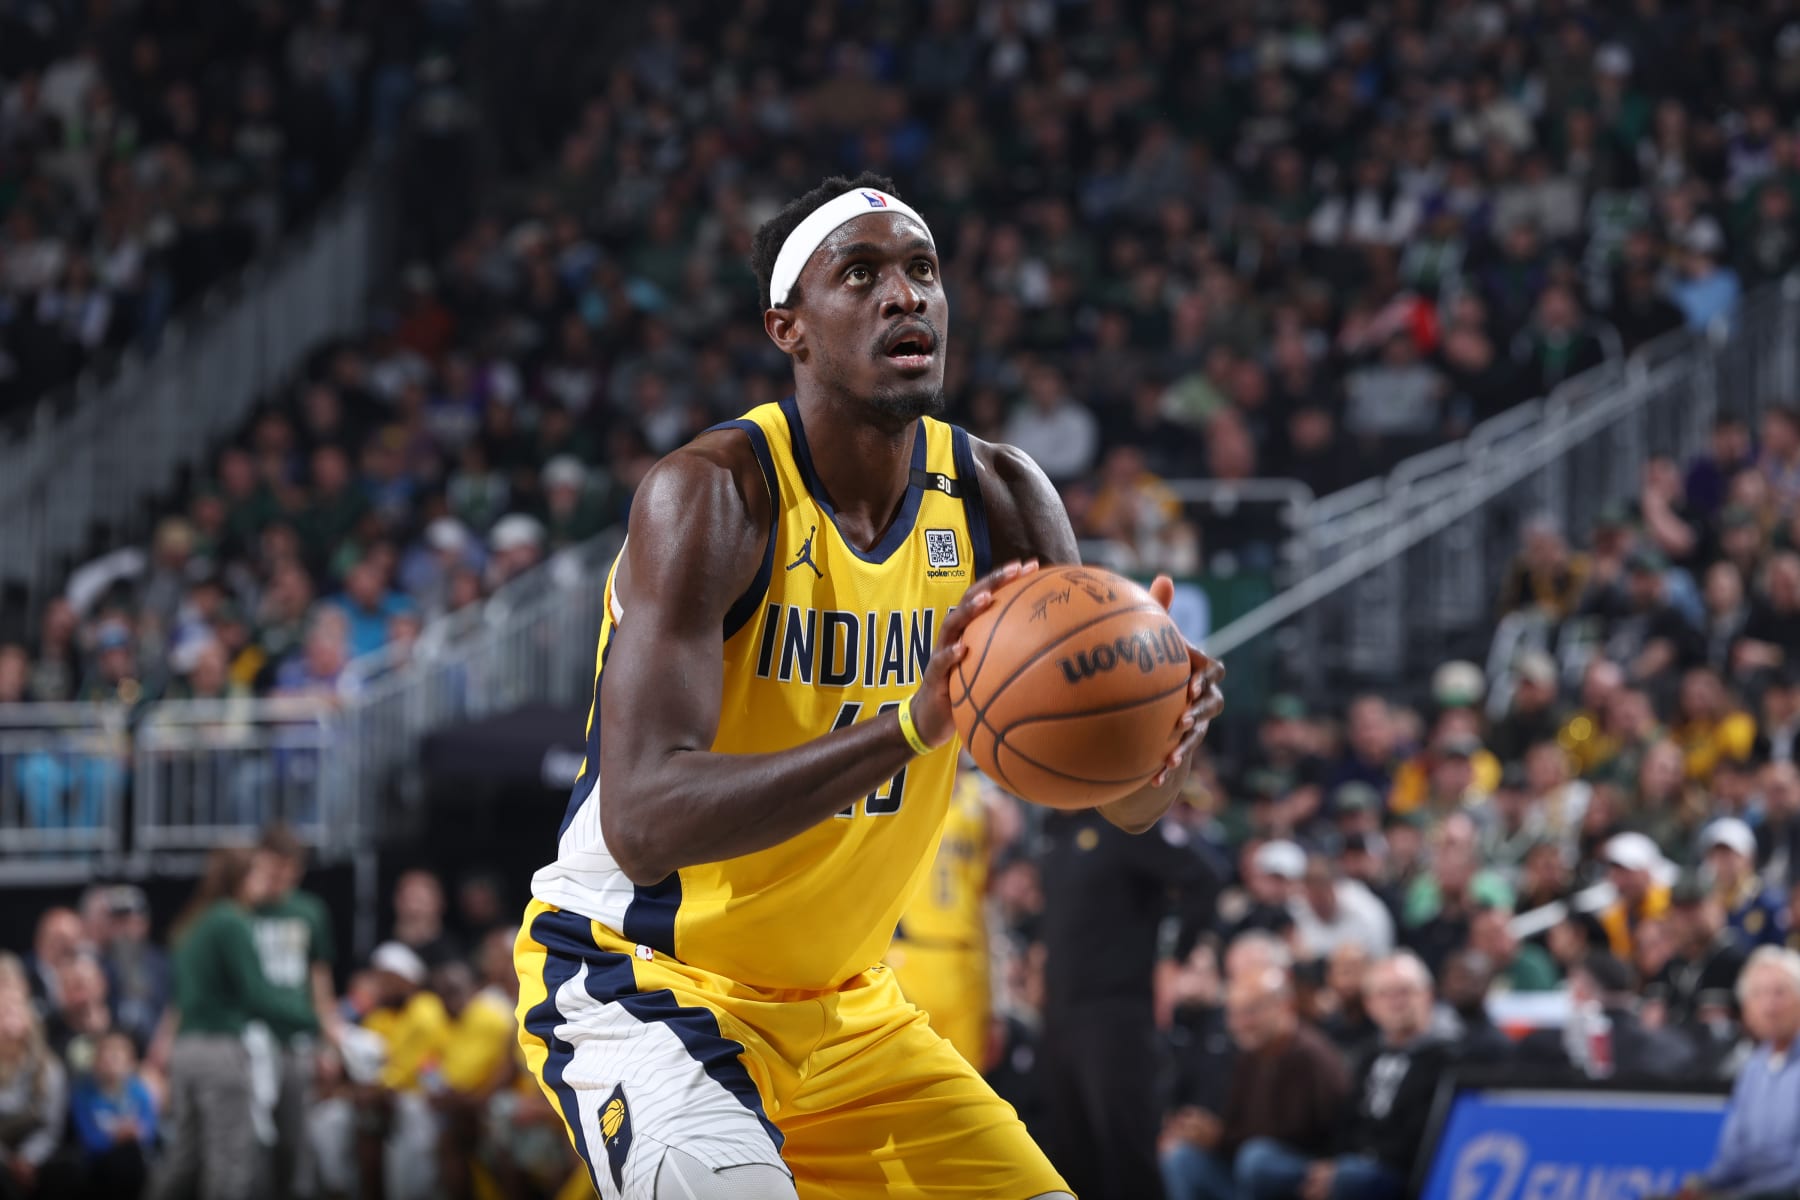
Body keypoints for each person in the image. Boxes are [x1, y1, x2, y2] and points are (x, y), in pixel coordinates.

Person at [514, 172, 1225, 1200]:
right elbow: (644, 822)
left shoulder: (1000, 495)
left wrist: (1157, 737)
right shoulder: (713, 497)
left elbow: (1115, 805)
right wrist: (911, 726)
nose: (905, 295)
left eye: (923, 270)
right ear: (789, 328)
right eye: (861, 274)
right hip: (647, 981)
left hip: (848, 1013)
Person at [147, 847, 319, 1200]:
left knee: (184, 1159)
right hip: (221, 1051)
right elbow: (257, 994)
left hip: (186, 1050)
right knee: (230, 1163)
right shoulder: (232, 921)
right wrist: (310, 1020)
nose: (264, 882)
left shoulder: (194, 921)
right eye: (257, 873)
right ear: (240, 878)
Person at [1236, 952, 1452, 1200]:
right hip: (1344, 1163)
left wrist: (1344, 1169)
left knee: (1351, 1178)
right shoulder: (1368, 1055)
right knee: (1257, 1158)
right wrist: (1329, 1166)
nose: (1395, 1002)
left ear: (1427, 995)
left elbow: (1425, 1136)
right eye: (1384, 994)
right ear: (1370, 1005)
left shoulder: (1448, 1058)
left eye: (1404, 991)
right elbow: (1344, 1119)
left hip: (1394, 1172)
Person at [1163, 966, 1349, 1200]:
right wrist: (1206, 1131)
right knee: (1182, 1158)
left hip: (1299, 1170)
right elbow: (1237, 1123)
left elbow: (1296, 1135)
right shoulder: (1248, 1054)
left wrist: (1220, 1138)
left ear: (1284, 1006)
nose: (1240, 1023)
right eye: (1233, 1014)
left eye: (1250, 1012)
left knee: (1256, 1159)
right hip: (1245, 1165)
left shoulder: (1307, 1055)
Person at [885, 763, 994, 1068]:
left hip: (966, 958)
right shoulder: (906, 789)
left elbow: (986, 892)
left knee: (967, 1078)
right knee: (906, 1076)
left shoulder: (983, 803)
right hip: (910, 952)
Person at [250, 825, 339, 1200]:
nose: (279, 878)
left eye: (287, 869)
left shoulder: (309, 911)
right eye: (272, 868)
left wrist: (329, 1041)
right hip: (250, 1039)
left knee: (296, 1136)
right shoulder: (241, 908)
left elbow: (319, 979)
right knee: (252, 1140)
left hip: (296, 1039)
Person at [1676, 948, 1800, 1200]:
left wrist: (1740, 1196)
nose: (1770, 1006)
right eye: (1758, 994)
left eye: (1780, 992)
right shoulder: (1754, 1068)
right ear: (1746, 1008)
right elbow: (1733, 1156)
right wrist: (1702, 1186)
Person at [68, 1029, 156, 1200]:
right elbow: (88, 1141)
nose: (111, 1059)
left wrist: (134, 1134)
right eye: (105, 1053)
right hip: (98, 1168)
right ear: (95, 1060)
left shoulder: (140, 1092)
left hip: (134, 1164)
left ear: (131, 1063)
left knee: (131, 1156)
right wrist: (117, 1137)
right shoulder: (82, 1094)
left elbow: (149, 1136)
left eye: (118, 1054)